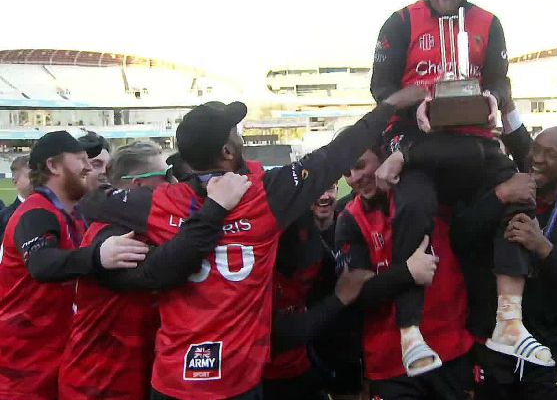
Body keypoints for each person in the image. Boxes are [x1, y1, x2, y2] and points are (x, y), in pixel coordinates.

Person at [80, 88, 425, 400]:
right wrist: (391, 105)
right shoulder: (266, 195)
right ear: (228, 151)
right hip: (235, 382)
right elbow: (337, 154)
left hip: (171, 382)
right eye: (236, 133)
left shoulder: (161, 203)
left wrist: (98, 253)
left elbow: (93, 201)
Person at [370, 0, 547, 376]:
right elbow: (381, 90)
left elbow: (501, 81)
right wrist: (424, 98)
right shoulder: (400, 22)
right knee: (413, 205)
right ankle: (410, 331)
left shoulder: (488, 22)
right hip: (416, 137)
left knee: (520, 187)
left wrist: (491, 97)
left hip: (471, 141)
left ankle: (509, 320)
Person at [58, 141, 251, 399]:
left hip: (129, 374)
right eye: (164, 177)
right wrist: (214, 210)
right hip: (100, 382)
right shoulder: (115, 237)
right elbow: (163, 271)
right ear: (137, 186)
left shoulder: (138, 225)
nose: (172, 185)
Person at [455, 127, 557, 399]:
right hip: (490, 340)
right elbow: (458, 238)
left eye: (551, 154)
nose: (537, 158)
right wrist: (499, 196)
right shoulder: (498, 190)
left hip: (544, 345)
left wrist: (543, 247)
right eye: (535, 148)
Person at [0, 131, 150, 399]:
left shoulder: (75, 214)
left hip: (57, 355)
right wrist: (98, 256)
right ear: (53, 166)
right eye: (81, 159)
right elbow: (42, 264)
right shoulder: (36, 213)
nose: (88, 166)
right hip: (25, 364)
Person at [336, 146, 474, 399]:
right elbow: (356, 297)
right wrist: (408, 273)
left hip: (449, 350)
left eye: (359, 165)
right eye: (346, 172)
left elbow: (471, 152)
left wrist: (406, 155)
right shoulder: (350, 220)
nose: (354, 177)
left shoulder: (429, 192)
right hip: (392, 362)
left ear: (382, 155)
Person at [261, 184, 373, 400]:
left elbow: (349, 296)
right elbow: (282, 335)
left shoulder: (319, 249)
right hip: (264, 377)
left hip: (307, 365)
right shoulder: (254, 271)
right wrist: (339, 299)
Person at [0, 155, 32, 238]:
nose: (37, 180)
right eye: (31, 176)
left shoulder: (57, 210)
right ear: (15, 181)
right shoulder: (4, 218)